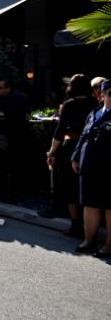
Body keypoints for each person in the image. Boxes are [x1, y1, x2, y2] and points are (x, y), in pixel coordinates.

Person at [44, 75, 97, 236]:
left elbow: (60, 130)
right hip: (91, 146)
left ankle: (75, 223)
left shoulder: (69, 105)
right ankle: (90, 222)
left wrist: (52, 151)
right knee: (88, 184)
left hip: (71, 145)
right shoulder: (95, 103)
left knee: (69, 185)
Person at [71, 79, 111, 258]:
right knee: (90, 203)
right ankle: (89, 239)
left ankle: (109, 245)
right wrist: (76, 156)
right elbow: (83, 136)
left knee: (109, 207)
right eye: (108, 93)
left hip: (108, 166)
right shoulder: (94, 113)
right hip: (90, 165)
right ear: (102, 95)